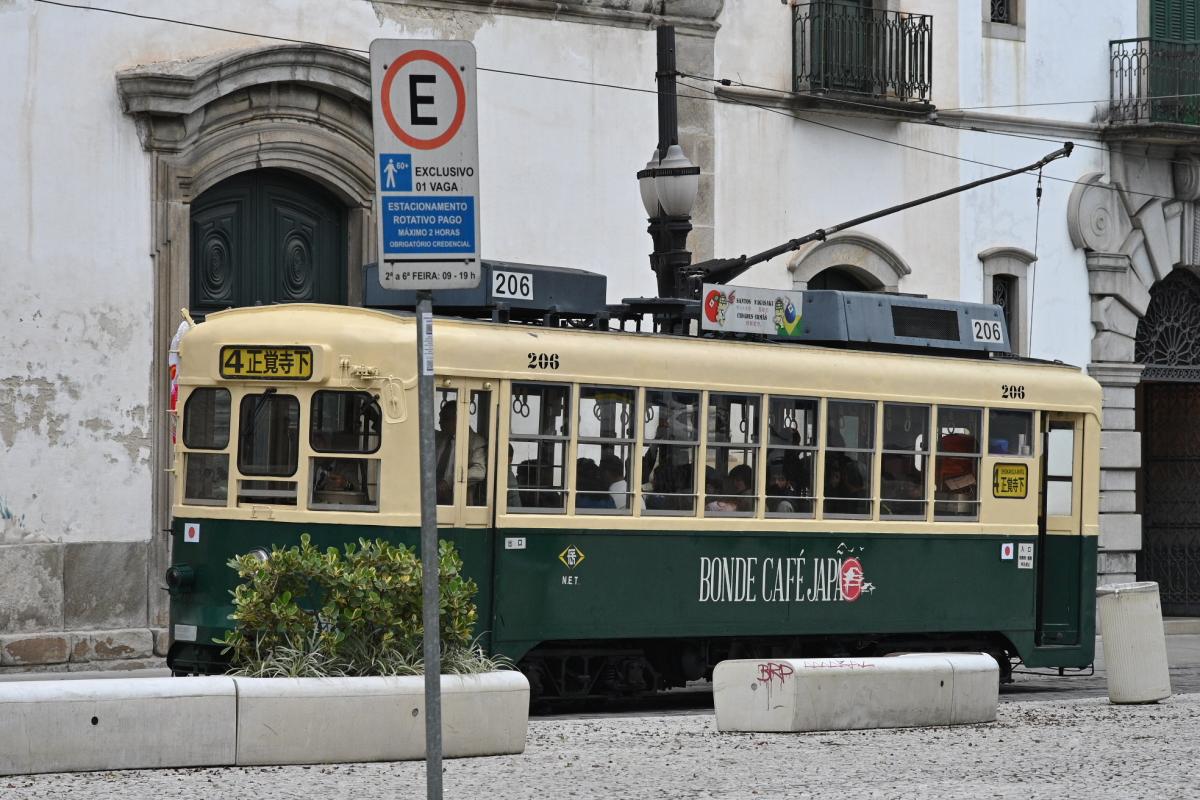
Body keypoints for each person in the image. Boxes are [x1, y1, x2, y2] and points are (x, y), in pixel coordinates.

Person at [435, 402, 486, 505]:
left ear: (457, 419)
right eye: (440, 418)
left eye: (444, 419)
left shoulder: (476, 441)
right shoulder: (440, 437)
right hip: (433, 497)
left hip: (457, 502)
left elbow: (479, 471)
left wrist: (450, 481)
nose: (440, 422)